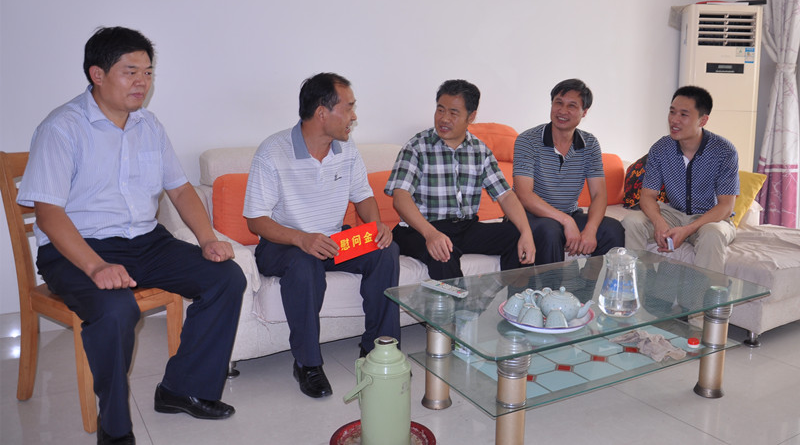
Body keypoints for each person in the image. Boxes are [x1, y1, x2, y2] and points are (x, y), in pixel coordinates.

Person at [17, 27, 246, 445]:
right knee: (115, 308)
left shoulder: (148, 125)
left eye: (148, 72)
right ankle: (115, 427)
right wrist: (96, 266)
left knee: (226, 277)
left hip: (146, 241)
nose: (142, 82)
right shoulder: (62, 127)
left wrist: (207, 238)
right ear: (97, 74)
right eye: (130, 72)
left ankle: (182, 389)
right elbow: (48, 215)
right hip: (77, 249)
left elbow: (180, 189)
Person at [243, 73, 400, 399]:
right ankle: (308, 363)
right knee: (305, 264)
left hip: (333, 241)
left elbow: (363, 196)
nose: (354, 116)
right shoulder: (273, 151)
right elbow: (256, 220)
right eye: (349, 108)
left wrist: (376, 226)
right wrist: (302, 239)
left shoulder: (347, 148)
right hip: (284, 245)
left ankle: (376, 347)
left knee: (385, 250)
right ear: (322, 113)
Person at [384, 79, 535, 280]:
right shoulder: (417, 147)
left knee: (515, 236)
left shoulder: (480, 150)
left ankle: (516, 299)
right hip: (419, 229)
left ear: (471, 116)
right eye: (440, 110)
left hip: (464, 227)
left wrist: (526, 232)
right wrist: (431, 234)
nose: (444, 118)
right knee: (443, 252)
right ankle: (460, 302)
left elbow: (506, 195)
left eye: (453, 113)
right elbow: (400, 197)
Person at [621, 86, 739, 273]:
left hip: (710, 219)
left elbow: (726, 206)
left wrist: (688, 229)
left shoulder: (724, 151)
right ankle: (637, 284)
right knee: (632, 222)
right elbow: (647, 196)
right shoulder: (661, 148)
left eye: (683, 114)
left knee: (712, 234)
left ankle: (704, 292)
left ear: (703, 120)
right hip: (673, 214)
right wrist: (659, 222)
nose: (674, 120)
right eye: (672, 112)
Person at [513, 78, 625, 266]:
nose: (562, 111)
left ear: (584, 112)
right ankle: (551, 286)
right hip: (528, 217)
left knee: (612, 229)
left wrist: (590, 229)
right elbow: (524, 195)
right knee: (550, 231)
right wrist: (566, 221)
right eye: (558, 103)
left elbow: (599, 194)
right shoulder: (528, 140)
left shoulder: (590, 144)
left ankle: (588, 284)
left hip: (568, 214)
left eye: (572, 106)